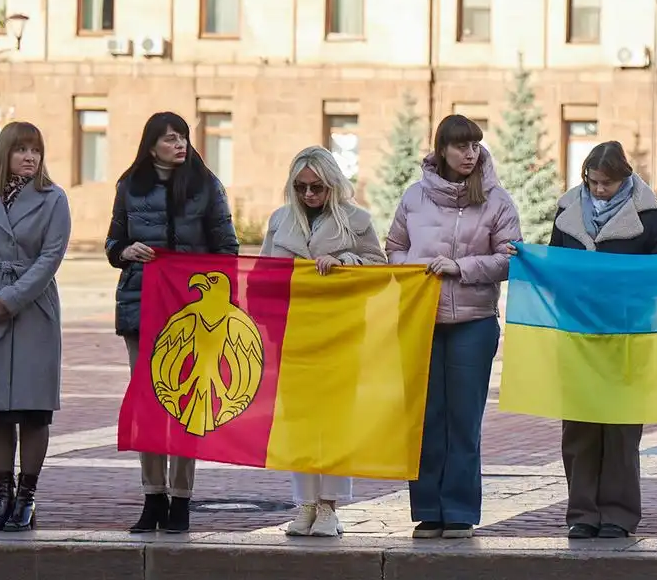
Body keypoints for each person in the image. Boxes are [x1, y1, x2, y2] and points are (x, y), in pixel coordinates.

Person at [386, 114, 521, 539]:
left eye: (476, 145)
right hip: (421, 321)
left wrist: (460, 267)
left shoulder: (497, 200)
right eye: (461, 146)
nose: (470, 153)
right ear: (442, 149)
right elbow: (393, 249)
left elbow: (510, 258)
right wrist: (417, 268)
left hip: (473, 323)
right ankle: (428, 510)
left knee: (464, 420)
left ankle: (460, 510)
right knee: (427, 418)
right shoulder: (414, 198)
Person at [107, 112, 239, 534]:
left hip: (193, 311)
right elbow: (113, 243)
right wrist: (127, 253)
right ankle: (153, 496)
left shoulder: (205, 185)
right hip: (141, 305)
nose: (180, 144)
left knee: (187, 402)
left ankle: (181, 499)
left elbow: (227, 249)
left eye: (183, 137)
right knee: (150, 401)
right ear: (151, 146)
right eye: (170, 139)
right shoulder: (129, 186)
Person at [548, 140, 657, 539]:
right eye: (592, 182)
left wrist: (628, 291)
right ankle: (582, 513)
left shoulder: (651, 213)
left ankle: (619, 515)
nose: (598, 189)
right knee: (580, 426)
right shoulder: (567, 210)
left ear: (624, 178)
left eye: (606, 183)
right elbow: (555, 263)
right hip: (579, 333)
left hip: (628, 333)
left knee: (621, 427)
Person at [262, 146, 387, 538]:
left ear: (332, 184)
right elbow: (263, 274)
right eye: (301, 187)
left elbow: (380, 268)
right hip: (294, 331)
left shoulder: (357, 220)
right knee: (299, 421)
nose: (309, 195)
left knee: (334, 420)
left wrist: (347, 262)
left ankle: (330, 505)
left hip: (340, 331)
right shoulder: (281, 221)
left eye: (317, 187)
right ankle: (305, 504)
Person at [0, 122, 72, 532]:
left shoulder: (54, 198)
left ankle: (27, 497)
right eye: (21, 149)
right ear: (3, 153)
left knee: (33, 411)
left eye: (36, 150)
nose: (30, 157)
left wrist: (11, 298)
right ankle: (2, 497)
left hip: (34, 311)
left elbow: (51, 257)